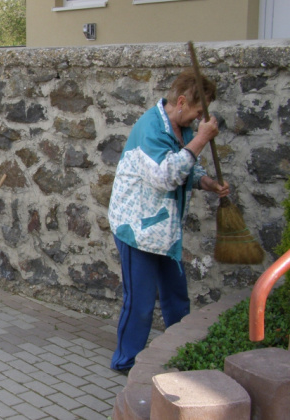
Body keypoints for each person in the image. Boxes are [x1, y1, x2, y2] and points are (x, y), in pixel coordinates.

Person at [107, 69, 229, 373]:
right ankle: (126, 362)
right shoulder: (151, 128)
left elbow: (186, 168)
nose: (199, 120)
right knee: (141, 304)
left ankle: (182, 355)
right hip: (137, 229)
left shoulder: (182, 129)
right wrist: (202, 139)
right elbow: (165, 176)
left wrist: (206, 183)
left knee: (176, 298)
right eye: (199, 113)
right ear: (183, 102)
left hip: (165, 232)